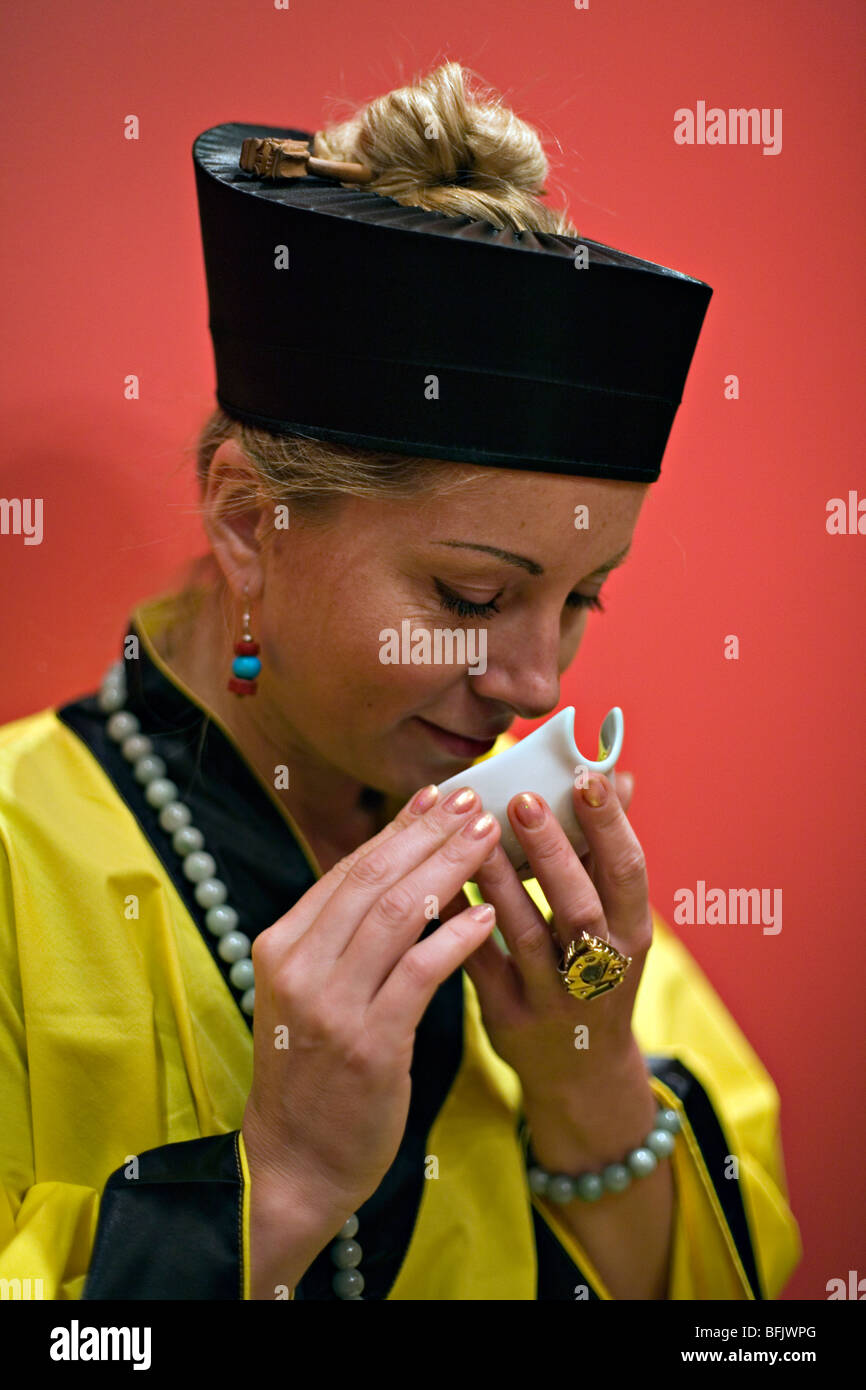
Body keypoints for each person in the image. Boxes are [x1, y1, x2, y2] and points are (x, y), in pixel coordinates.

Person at [0, 61, 800, 1301]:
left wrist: (585, 1082)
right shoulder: (16, 850)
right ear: (248, 518)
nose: (534, 682)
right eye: (470, 598)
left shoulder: (531, 874)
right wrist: (285, 1177)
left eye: (582, 596)